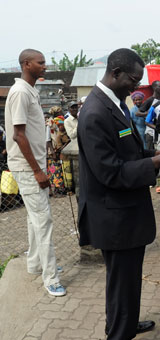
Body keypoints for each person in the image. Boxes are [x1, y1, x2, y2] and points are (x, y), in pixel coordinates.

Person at [77, 48, 160, 340]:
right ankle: (119, 332)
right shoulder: (95, 113)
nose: (137, 88)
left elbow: (129, 152)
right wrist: (153, 164)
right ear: (116, 74)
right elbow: (110, 172)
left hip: (125, 212)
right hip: (114, 216)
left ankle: (124, 320)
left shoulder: (115, 104)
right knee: (122, 280)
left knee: (125, 280)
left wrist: (158, 154)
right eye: (133, 81)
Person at [4, 49, 66, 296]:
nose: (45, 66)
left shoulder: (29, 90)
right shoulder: (20, 92)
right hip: (29, 168)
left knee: (34, 218)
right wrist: (38, 171)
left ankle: (36, 264)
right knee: (44, 222)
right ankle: (50, 278)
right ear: (27, 64)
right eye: (41, 63)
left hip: (33, 166)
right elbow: (18, 135)